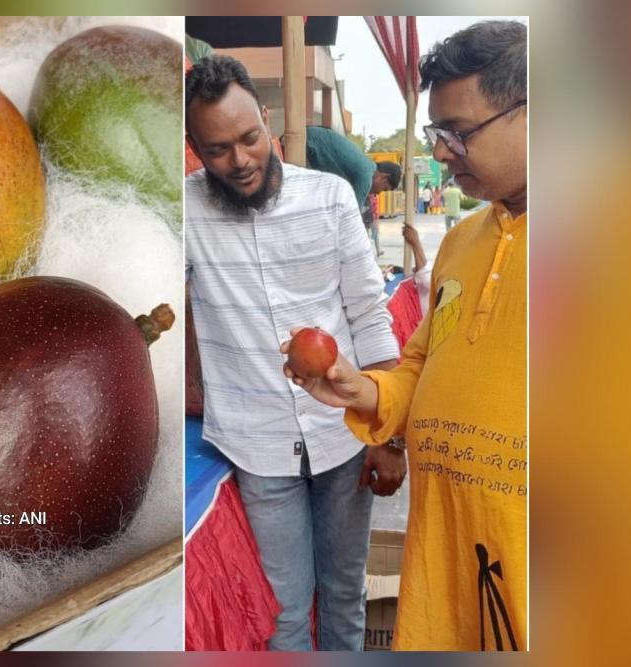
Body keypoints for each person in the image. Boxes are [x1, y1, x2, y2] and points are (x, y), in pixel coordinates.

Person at [282, 20, 527, 651]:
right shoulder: (462, 243)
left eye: (457, 132)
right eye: (435, 134)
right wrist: (359, 389)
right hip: (445, 558)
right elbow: (424, 359)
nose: (442, 151)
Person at [185, 55, 403, 652]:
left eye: (250, 138)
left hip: (344, 436)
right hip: (255, 446)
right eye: (218, 150)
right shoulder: (184, 212)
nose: (241, 160)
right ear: (195, 150)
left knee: (342, 595)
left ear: (267, 120)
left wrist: (385, 434)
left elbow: (368, 314)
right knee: (282, 614)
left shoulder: (331, 199)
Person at [303, 125, 401, 258]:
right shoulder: (366, 176)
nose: (378, 193)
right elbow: (351, 218)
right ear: (384, 177)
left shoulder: (365, 165)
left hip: (309, 141)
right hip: (307, 144)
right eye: (384, 189)